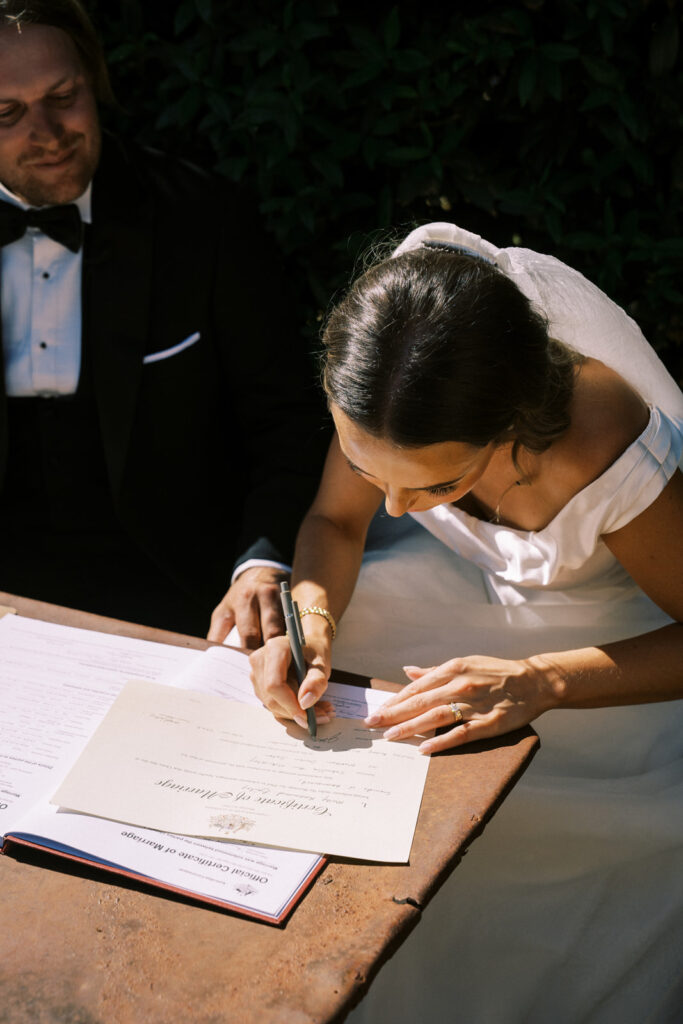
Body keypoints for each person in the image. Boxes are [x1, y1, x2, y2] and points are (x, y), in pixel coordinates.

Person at [251, 222, 683, 1021]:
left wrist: (541, 680)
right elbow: (338, 528)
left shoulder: (602, 443)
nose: (392, 506)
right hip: (458, 586)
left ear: (513, 425)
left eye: (433, 485)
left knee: (527, 830)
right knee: (349, 655)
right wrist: (306, 618)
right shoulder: (387, 383)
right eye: (364, 467)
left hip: (611, 636)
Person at [0, 0, 329, 640]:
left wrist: (260, 562)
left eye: (63, 95)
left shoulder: (202, 220)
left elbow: (286, 420)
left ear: (94, 78)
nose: (47, 132)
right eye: (6, 113)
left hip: (175, 581)